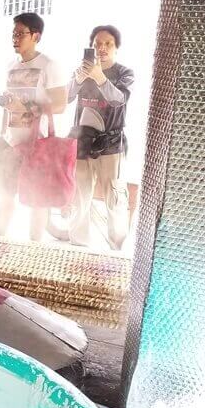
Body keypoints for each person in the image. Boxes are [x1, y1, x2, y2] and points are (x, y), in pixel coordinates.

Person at [49, 25, 133, 250]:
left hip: (111, 145)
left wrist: (100, 78)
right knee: (79, 196)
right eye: (97, 44)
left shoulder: (125, 73)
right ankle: (79, 243)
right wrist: (78, 79)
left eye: (108, 44)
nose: (102, 48)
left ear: (116, 47)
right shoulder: (83, 72)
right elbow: (64, 99)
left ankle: (117, 247)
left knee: (115, 197)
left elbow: (118, 100)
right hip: (81, 142)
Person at [0, 12, 67, 241]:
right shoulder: (10, 66)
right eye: (13, 34)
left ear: (36, 36)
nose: (15, 38)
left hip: (38, 143)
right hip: (10, 140)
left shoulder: (49, 65)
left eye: (20, 34)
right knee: (5, 195)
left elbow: (60, 104)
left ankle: (34, 247)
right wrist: (1, 134)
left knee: (38, 199)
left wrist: (27, 106)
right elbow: (7, 105)